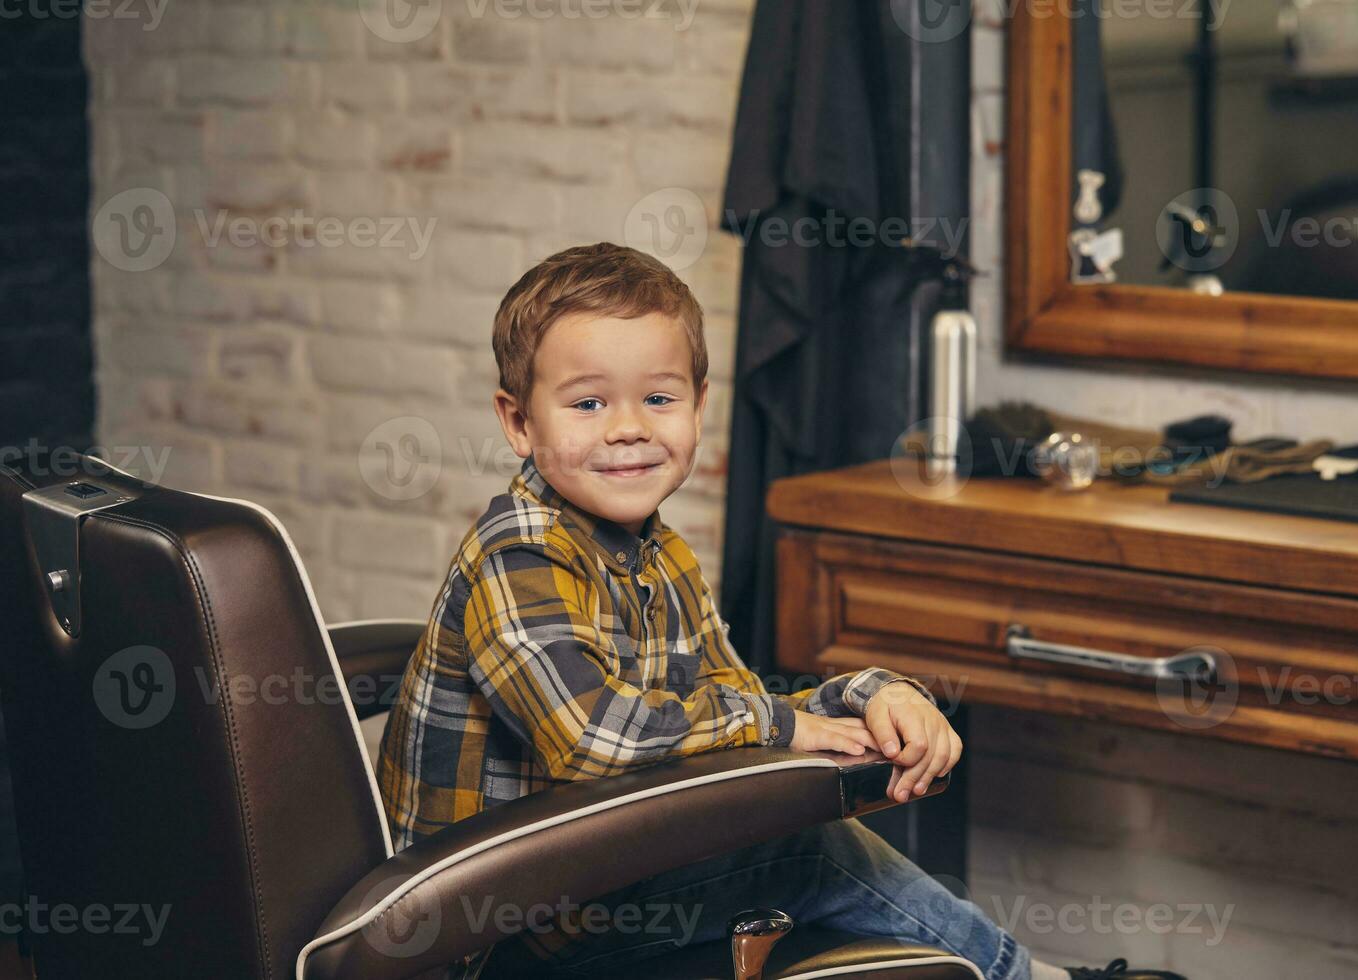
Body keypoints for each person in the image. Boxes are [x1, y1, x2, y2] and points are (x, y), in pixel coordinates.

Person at [375, 243, 1187, 980]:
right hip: (494, 931)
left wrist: (870, 696)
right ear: (519, 422)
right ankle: (1030, 979)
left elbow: (728, 711)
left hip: (591, 877)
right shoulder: (520, 553)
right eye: (587, 405)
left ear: (698, 405)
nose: (627, 429)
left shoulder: (660, 556)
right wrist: (783, 727)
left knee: (805, 842)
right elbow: (597, 739)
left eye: (658, 398)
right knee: (810, 853)